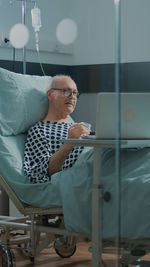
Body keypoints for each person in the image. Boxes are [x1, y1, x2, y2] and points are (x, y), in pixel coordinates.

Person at [23, 75, 90, 184]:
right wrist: (69, 143)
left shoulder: (78, 126)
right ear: (50, 94)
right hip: (87, 171)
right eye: (67, 91)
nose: (72, 97)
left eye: (75, 93)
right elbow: (39, 174)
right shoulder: (39, 130)